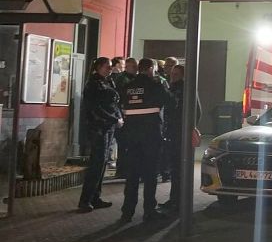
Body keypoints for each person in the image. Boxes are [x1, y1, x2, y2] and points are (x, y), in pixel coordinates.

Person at [119, 58, 172, 222]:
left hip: (131, 137)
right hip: (151, 136)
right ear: (150, 68)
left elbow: (120, 104)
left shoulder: (128, 87)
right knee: (150, 175)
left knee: (132, 175)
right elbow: (171, 101)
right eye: (154, 69)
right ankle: (149, 210)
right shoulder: (155, 85)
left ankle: (127, 212)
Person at [78, 57, 122, 213]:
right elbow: (94, 108)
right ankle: (85, 200)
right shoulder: (93, 85)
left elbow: (114, 103)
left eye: (110, 67)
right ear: (98, 67)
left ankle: (95, 198)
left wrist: (118, 116)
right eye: (106, 67)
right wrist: (114, 118)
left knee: (102, 163)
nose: (109, 69)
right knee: (96, 164)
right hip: (98, 128)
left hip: (108, 127)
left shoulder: (108, 82)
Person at [160, 64, 201, 212]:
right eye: (172, 74)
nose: (173, 76)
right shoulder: (172, 88)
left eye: (176, 74)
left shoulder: (185, 89)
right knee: (175, 169)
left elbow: (197, 110)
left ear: (183, 75)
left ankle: (178, 202)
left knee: (179, 169)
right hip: (171, 133)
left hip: (179, 135)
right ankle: (174, 200)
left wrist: (188, 128)